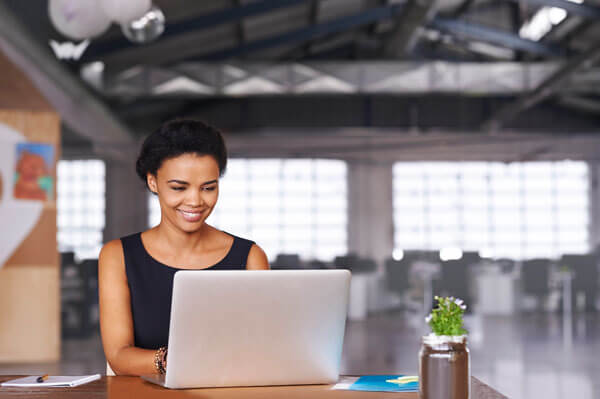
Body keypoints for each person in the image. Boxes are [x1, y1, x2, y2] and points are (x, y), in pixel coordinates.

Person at [99, 119, 269, 376]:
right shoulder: (118, 256)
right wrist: (175, 360)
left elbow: (264, 346)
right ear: (153, 182)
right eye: (179, 187)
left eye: (208, 187)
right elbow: (119, 356)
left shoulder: (250, 257)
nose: (195, 201)